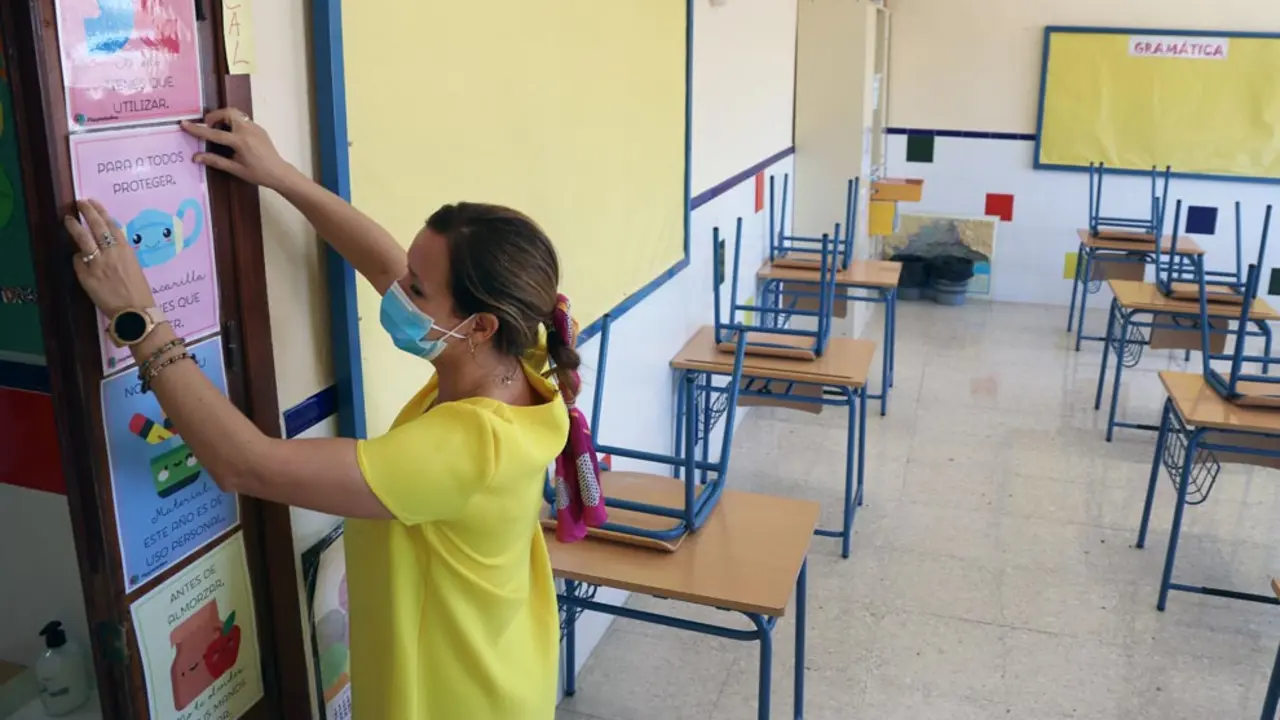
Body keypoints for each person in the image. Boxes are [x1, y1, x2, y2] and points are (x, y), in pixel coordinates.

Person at [66, 107, 579, 718]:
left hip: (454, 699)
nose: (398, 291)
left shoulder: (468, 447)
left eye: (416, 289)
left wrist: (140, 319)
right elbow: (386, 261)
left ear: (479, 325)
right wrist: (280, 175)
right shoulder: (512, 359)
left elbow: (244, 465)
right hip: (501, 665)